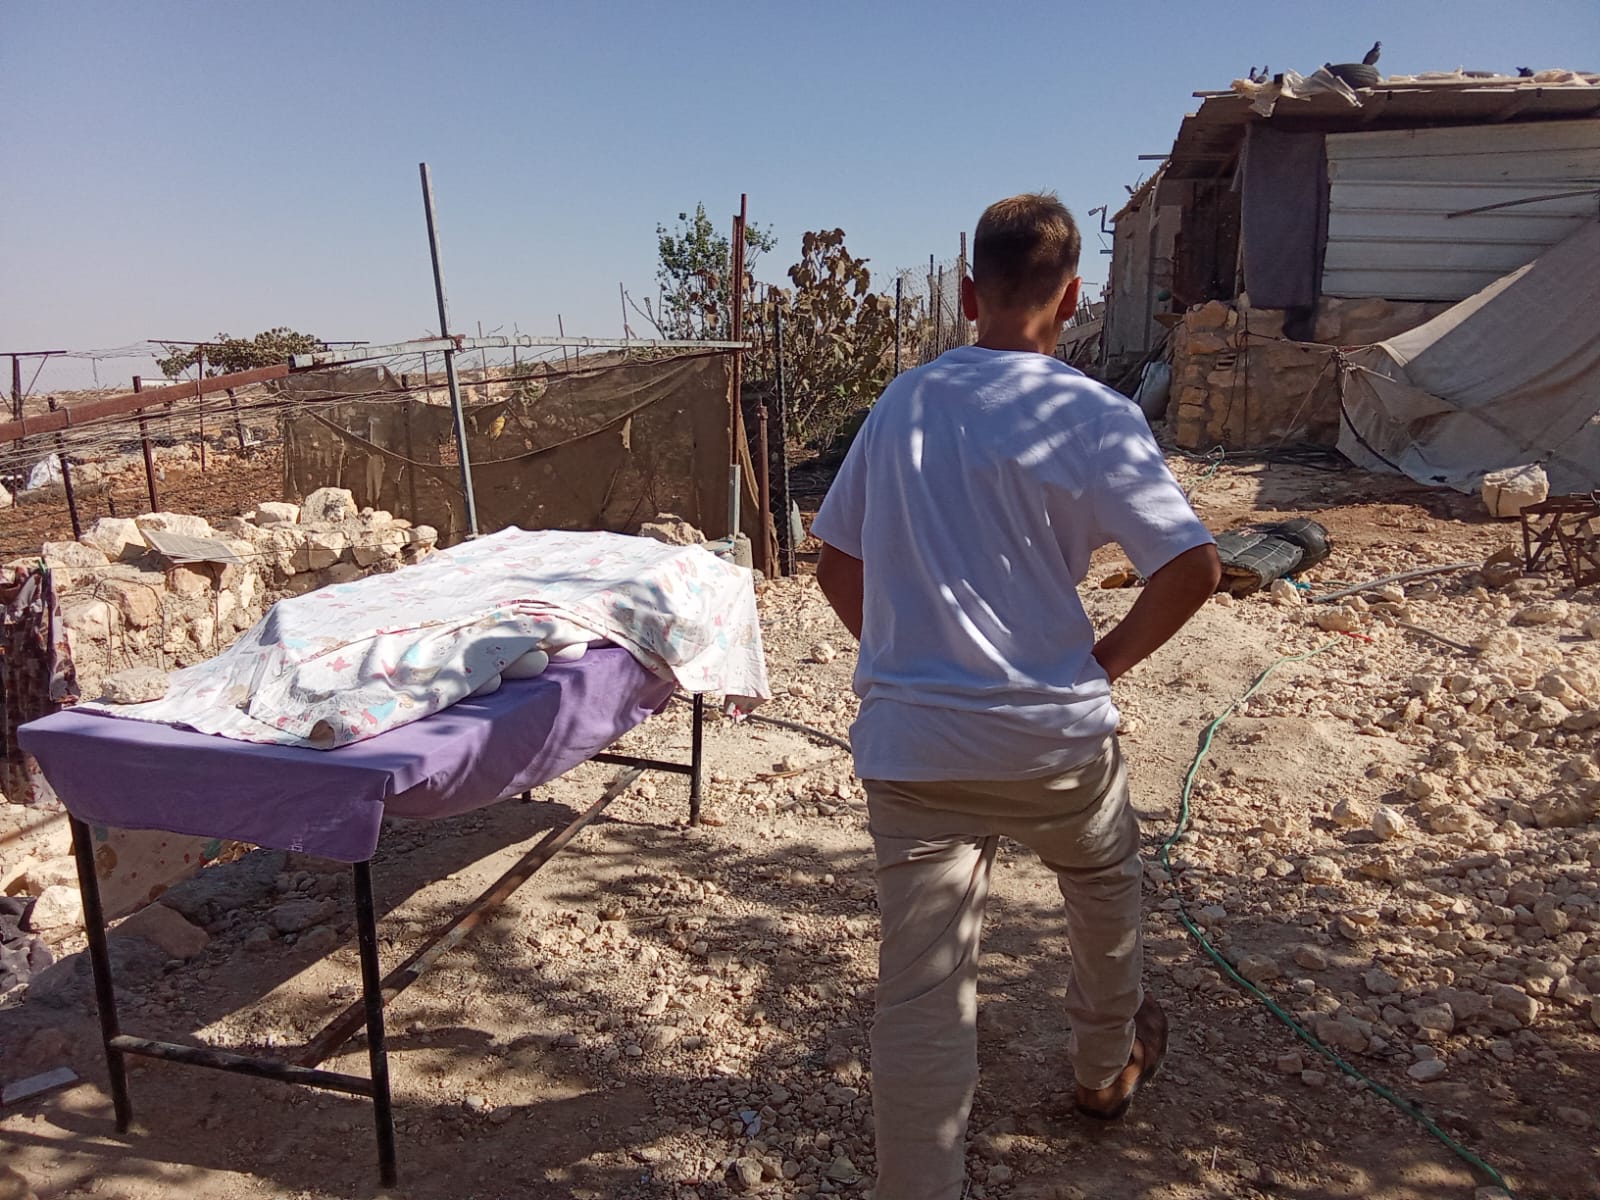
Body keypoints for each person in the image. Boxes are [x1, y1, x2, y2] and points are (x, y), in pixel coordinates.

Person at [811, 193, 1221, 1200]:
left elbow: (833, 565)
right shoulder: (1092, 414)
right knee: (1102, 886)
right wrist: (1102, 665)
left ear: (965, 294)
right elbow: (1194, 567)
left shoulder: (904, 402)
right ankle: (1100, 1074)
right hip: (1053, 744)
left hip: (916, 754)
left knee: (920, 992)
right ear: (1072, 298)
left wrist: (917, 661)